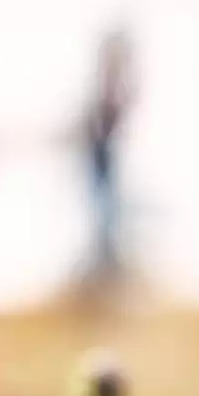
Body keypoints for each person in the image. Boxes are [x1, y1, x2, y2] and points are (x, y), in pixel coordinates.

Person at [81, 30, 135, 292]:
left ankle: (107, 278)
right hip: (99, 164)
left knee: (106, 222)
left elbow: (106, 127)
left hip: (105, 163)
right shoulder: (107, 91)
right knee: (103, 222)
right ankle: (103, 277)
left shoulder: (117, 91)